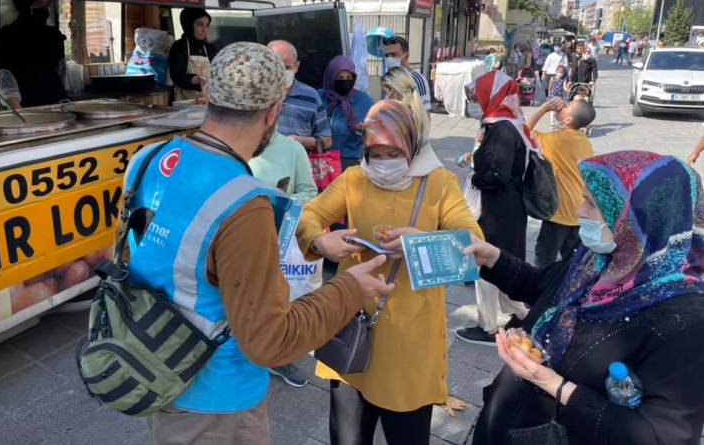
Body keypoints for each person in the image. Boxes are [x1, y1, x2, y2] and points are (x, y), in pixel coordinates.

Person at [128, 42, 394, 445]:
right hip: (217, 404)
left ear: (208, 96)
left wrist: (313, 244)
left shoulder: (146, 160)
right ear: (273, 112)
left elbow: (191, 255)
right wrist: (350, 288)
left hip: (155, 370)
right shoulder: (244, 202)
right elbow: (271, 341)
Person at [467, 150, 704, 444]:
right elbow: (544, 285)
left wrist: (554, 384)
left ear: (640, 217)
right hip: (508, 420)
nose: (579, 211)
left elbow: (662, 436)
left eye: (592, 204)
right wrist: (492, 258)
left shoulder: (685, 319)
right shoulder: (601, 255)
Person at [296, 99, 483, 445]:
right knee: (348, 436)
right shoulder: (354, 179)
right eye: (374, 154)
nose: (382, 164)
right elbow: (308, 216)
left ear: (412, 145)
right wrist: (322, 243)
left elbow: (473, 243)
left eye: (392, 153)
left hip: (411, 338)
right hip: (351, 326)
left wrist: (421, 243)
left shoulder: (438, 183)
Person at [455, 70, 533, 346]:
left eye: (475, 97)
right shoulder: (503, 123)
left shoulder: (500, 129)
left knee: (484, 265)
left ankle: (487, 327)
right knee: (497, 264)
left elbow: (496, 175)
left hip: (498, 210)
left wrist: (476, 177)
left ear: (492, 96)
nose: (472, 103)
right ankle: (523, 313)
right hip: (504, 208)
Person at [249, 129, 318, 388]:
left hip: (281, 236)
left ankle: (279, 355)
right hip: (239, 238)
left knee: (279, 297)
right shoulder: (231, 146)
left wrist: (281, 201)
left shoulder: (292, 149)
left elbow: (309, 192)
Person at [526, 99, 596, 266]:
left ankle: (542, 289)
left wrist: (543, 108)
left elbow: (524, 132)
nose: (562, 105)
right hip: (579, 209)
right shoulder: (584, 141)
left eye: (567, 106)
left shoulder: (556, 140)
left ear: (568, 120)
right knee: (571, 259)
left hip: (559, 210)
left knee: (544, 258)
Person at [0, 0, 66, 107]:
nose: (43, 8)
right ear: (24, 6)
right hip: (25, 103)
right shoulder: (9, 34)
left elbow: (59, 69)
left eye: (46, 4)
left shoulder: (53, 34)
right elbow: (4, 74)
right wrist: (17, 109)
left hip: (56, 100)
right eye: (38, 3)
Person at [268, 40, 332, 152]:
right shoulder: (255, 95)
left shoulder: (310, 96)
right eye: (276, 66)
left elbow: (326, 141)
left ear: (296, 66)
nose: (281, 72)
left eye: (287, 67)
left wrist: (299, 140)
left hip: (297, 166)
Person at [319, 56, 374, 170]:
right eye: (340, 77)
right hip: (321, 165)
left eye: (348, 77)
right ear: (331, 77)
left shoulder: (364, 100)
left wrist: (365, 130)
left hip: (350, 164)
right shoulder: (319, 98)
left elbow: (377, 131)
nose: (345, 81)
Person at [168, 7, 218, 101]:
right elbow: (177, 76)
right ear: (189, 25)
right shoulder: (179, 47)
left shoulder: (210, 49)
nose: (205, 30)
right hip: (183, 101)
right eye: (200, 25)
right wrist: (198, 79)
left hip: (207, 100)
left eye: (207, 25)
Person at [383, 36, 431, 113]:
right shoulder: (389, 79)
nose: (389, 59)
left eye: (393, 54)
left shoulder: (418, 80)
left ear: (406, 56)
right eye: (386, 55)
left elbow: (426, 117)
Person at [381, 66, 431, 134]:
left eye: (385, 92)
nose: (385, 97)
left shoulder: (398, 119)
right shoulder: (417, 113)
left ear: (395, 92)